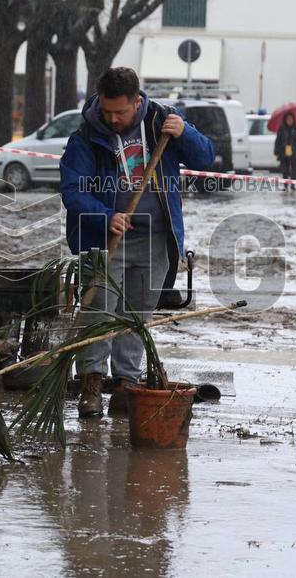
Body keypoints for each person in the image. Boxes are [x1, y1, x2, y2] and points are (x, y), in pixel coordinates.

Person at [59, 67, 215, 418]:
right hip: (103, 239)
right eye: (107, 111)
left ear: (137, 101)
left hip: (156, 239)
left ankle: (126, 387)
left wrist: (185, 134)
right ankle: (91, 386)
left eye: (121, 112)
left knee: (135, 316)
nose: (113, 118)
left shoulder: (162, 124)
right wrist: (105, 216)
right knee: (98, 313)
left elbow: (205, 158)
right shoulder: (86, 137)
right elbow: (72, 190)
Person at [273, 112, 296, 191]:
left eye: (291, 119)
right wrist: (276, 150)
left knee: (294, 168)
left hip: (293, 150)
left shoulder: (295, 128)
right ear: (285, 120)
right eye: (288, 119)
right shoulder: (282, 128)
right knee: (285, 169)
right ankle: (285, 185)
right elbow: (278, 140)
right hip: (284, 150)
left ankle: (293, 185)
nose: (289, 121)